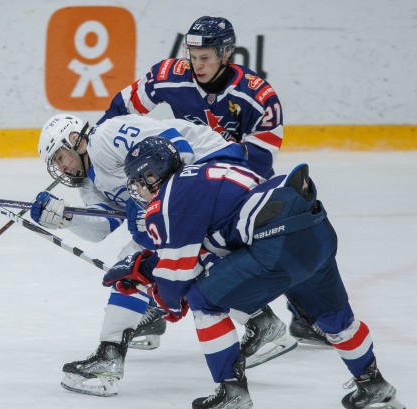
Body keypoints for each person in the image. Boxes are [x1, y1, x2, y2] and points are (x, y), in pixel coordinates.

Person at [102, 136, 405, 409]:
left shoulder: (167, 200)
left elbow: (176, 275)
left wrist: (163, 298)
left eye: (138, 182)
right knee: (334, 318)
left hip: (277, 242)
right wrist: (152, 268)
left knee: (204, 300)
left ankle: (232, 394)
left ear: (152, 175)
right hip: (316, 232)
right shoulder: (209, 169)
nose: (138, 192)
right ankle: (373, 384)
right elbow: (213, 246)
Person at [30, 113, 296, 397]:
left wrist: (155, 203)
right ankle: (262, 322)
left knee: (137, 263)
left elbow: (175, 148)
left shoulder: (106, 136)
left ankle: (108, 359)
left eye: (60, 157)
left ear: (75, 140)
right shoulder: (89, 183)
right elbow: (102, 226)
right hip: (195, 187)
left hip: (215, 169)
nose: (61, 167)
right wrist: (64, 218)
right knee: (185, 266)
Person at [99, 15, 327, 346]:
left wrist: (214, 205)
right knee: (157, 235)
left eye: (205, 57)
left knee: (277, 234)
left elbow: (257, 167)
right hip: (181, 182)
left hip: (231, 183)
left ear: (226, 53)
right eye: (192, 56)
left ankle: (308, 315)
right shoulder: (169, 76)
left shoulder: (258, 97)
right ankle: (152, 307)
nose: (197, 65)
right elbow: (120, 109)